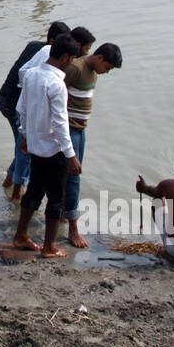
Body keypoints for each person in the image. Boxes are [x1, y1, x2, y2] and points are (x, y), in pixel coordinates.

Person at [12, 33, 82, 258]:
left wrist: (24, 136)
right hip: (53, 150)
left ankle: (21, 234)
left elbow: (22, 108)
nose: (72, 64)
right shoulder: (56, 84)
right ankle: (49, 247)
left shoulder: (31, 74)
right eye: (72, 59)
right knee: (56, 197)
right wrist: (70, 155)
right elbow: (61, 123)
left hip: (35, 146)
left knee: (34, 190)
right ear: (65, 57)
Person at [58, 42, 123, 248]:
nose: (107, 73)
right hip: (69, 130)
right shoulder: (76, 69)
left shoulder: (93, 71)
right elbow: (56, 93)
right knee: (74, 177)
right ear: (100, 58)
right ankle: (73, 228)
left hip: (80, 129)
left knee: (68, 175)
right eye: (108, 68)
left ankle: (62, 214)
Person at [0, 22, 69, 202]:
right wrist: (31, 95)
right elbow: (25, 73)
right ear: (53, 41)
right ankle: (16, 192)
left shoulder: (35, 46)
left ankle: (9, 182)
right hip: (14, 104)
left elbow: (23, 71)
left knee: (24, 146)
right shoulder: (46, 52)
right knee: (26, 148)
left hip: (6, 99)